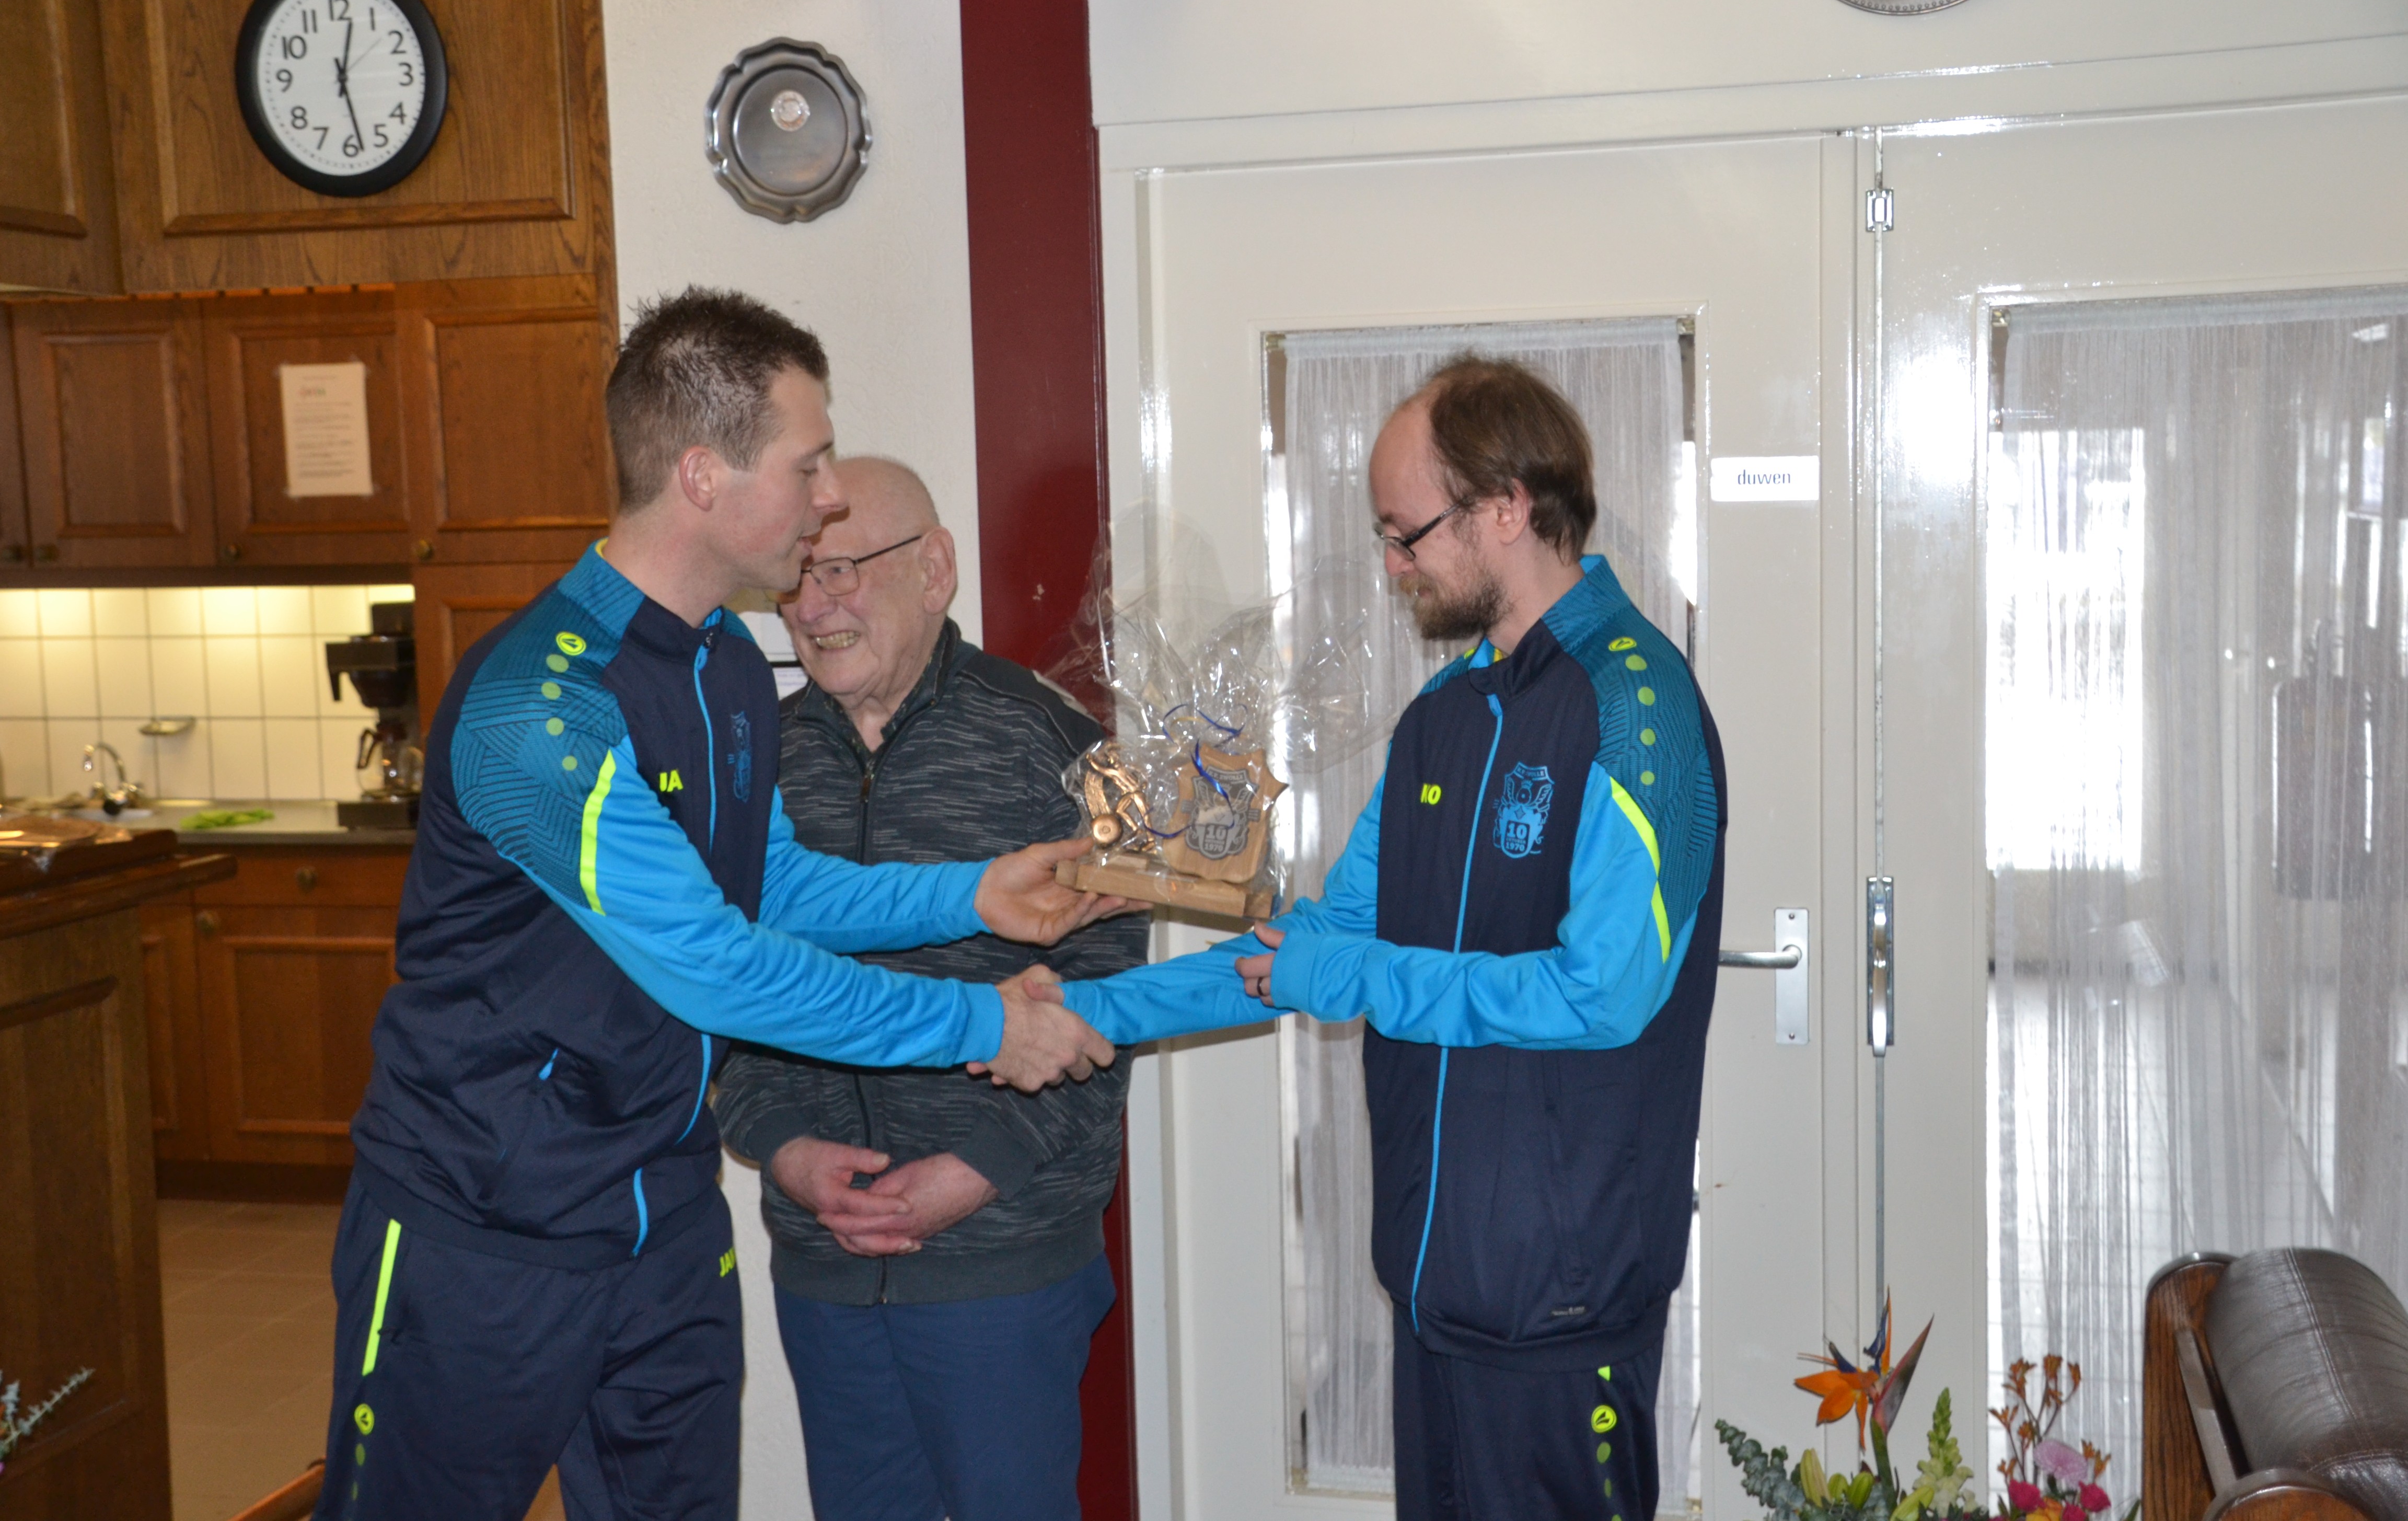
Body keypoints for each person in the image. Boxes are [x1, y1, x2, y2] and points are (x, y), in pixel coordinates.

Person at [312, 289, 1128, 1521]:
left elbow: (771, 883)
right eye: (807, 466)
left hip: (664, 1224)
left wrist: (972, 893)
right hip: (480, 1231)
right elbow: (719, 964)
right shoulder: (539, 711)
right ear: (703, 475)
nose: (827, 497)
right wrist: (983, 1026)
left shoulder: (729, 663)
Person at [1061, 357, 1728, 1521]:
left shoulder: (1639, 704)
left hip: (1563, 1299)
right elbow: (1321, 936)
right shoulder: (1443, 716)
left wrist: (1356, 976)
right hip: (1434, 1283)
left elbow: (1603, 994)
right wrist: (1083, 1014)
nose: (1392, 567)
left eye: (1405, 534)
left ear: (1507, 507)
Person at [713, 457, 1149, 1521]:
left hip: (1002, 1262)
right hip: (824, 1260)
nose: (814, 607)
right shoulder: (752, 758)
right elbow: (720, 977)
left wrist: (972, 1172)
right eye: (798, 577)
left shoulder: (1060, 747)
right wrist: (785, 1150)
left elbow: (1110, 1006)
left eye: (845, 571)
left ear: (935, 569)